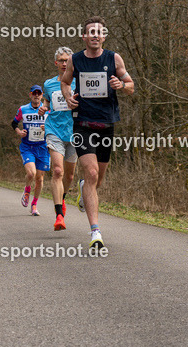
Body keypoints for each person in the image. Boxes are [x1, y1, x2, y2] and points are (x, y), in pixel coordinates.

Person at [61, 17, 134, 250]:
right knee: (91, 172)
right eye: (90, 32)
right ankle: (95, 232)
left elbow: (131, 84)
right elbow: (65, 82)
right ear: (83, 36)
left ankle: (85, 188)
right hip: (83, 123)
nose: (94, 35)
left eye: (99, 32)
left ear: (104, 36)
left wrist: (121, 86)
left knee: (97, 179)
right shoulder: (75, 59)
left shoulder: (113, 58)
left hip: (106, 124)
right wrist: (67, 97)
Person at [42, 47, 78, 231]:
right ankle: (58, 215)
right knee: (57, 171)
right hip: (54, 129)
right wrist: (43, 107)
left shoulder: (79, 82)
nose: (64, 63)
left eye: (67, 60)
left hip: (74, 133)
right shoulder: (48, 84)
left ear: (71, 62)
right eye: (61, 60)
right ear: (56, 63)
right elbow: (47, 102)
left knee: (69, 175)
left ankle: (62, 198)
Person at [12, 85, 50, 216]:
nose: (36, 95)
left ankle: (34, 204)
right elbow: (14, 123)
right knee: (31, 174)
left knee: (39, 179)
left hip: (43, 147)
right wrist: (18, 132)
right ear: (30, 95)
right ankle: (27, 189)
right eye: (34, 93)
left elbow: (54, 125)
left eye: (39, 93)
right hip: (27, 147)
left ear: (42, 95)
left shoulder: (47, 110)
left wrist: (47, 128)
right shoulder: (23, 109)